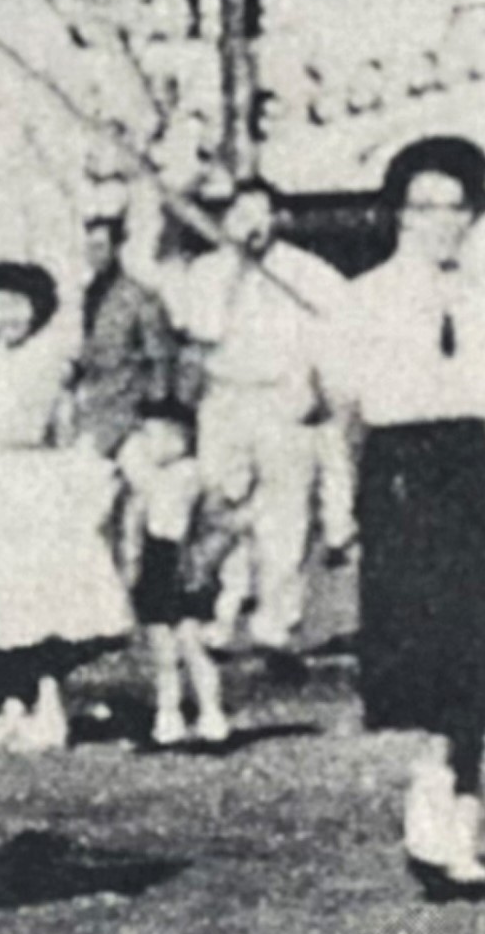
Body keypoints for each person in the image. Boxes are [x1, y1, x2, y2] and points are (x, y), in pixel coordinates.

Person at [315, 137, 485, 895]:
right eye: (423, 207)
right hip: (406, 481)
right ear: (398, 214)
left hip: (478, 467)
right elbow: (340, 416)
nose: (439, 223)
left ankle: (465, 813)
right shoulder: (364, 299)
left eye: (456, 207)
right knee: (428, 644)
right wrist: (337, 504)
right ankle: (434, 799)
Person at [0, 261, 135, 753]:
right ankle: (12, 708)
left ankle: (49, 707)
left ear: (38, 309)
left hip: (33, 481)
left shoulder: (50, 361)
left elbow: (58, 428)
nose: (8, 315)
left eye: (19, 304)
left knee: (39, 600)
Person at [135, 176, 341, 653]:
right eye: (240, 214)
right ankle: (225, 609)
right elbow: (202, 328)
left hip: (283, 399)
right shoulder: (208, 272)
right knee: (222, 507)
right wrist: (234, 273)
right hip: (226, 399)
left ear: (279, 219)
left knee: (284, 513)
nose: (251, 224)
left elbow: (335, 332)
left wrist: (316, 388)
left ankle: (276, 618)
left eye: (260, 213)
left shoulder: (307, 273)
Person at [116, 400, 233, 749]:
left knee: (192, 642)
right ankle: (168, 714)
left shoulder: (194, 475)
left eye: (154, 436)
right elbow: (134, 524)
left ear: (179, 439)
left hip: (186, 564)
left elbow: (210, 525)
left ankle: (211, 713)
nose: (146, 445)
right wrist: (131, 562)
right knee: (162, 648)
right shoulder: (148, 480)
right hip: (157, 561)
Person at [65, 206, 182, 460]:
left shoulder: (140, 298)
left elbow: (160, 358)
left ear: (117, 248)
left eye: (99, 247)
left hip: (127, 406)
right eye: (88, 248)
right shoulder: (85, 294)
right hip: (89, 402)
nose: (92, 255)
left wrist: (155, 411)